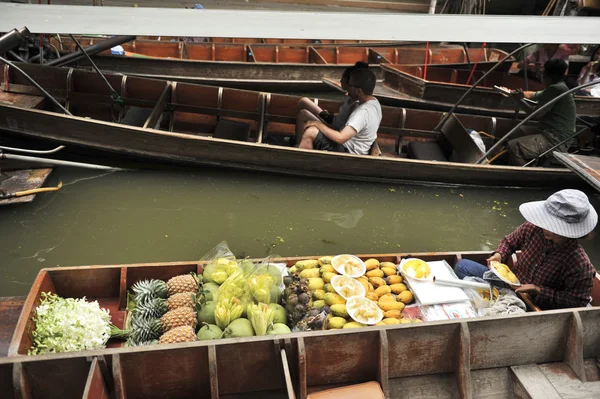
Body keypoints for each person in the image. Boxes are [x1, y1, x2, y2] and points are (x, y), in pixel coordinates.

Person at [455, 189, 597, 310]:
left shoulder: (580, 264)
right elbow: (509, 242)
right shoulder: (533, 228)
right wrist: (499, 255)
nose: (545, 228)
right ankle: (499, 297)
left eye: (553, 227)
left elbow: (577, 301)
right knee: (463, 266)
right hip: (511, 283)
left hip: (535, 303)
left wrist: (538, 291)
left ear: (569, 231)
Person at [501, 59, 576, 166]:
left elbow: (536, 115)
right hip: (550, 133)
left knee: (514, 147)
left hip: (555, 139)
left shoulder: (556, 89)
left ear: (547, 75)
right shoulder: (558, 86)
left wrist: (520, 100)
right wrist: (510, 92)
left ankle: (525, 177)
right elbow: (533, 94)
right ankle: (531, 162)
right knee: (520, 131)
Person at [298, 68, 382, 155]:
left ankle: (300, 162)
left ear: (358, 91)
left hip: (349, 152)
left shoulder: (362, 112)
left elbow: (340, 138)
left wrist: (318, 124)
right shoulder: (374, 102)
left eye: (350, 85)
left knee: (311, 132)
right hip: (349, 146)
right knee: (312, 127)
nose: (348, 89)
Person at [295, 61, 368, 139]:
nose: (340, 81)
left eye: (343, 79)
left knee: (303, 114)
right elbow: (343, 116)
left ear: (349, 82)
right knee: (304, 101)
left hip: (333, 128)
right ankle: (298, 135)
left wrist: (323, 123)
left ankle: (297, 144)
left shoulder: (356, 104)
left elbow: (345, 129)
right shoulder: (350, 95)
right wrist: (330, 115)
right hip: (331, 120)